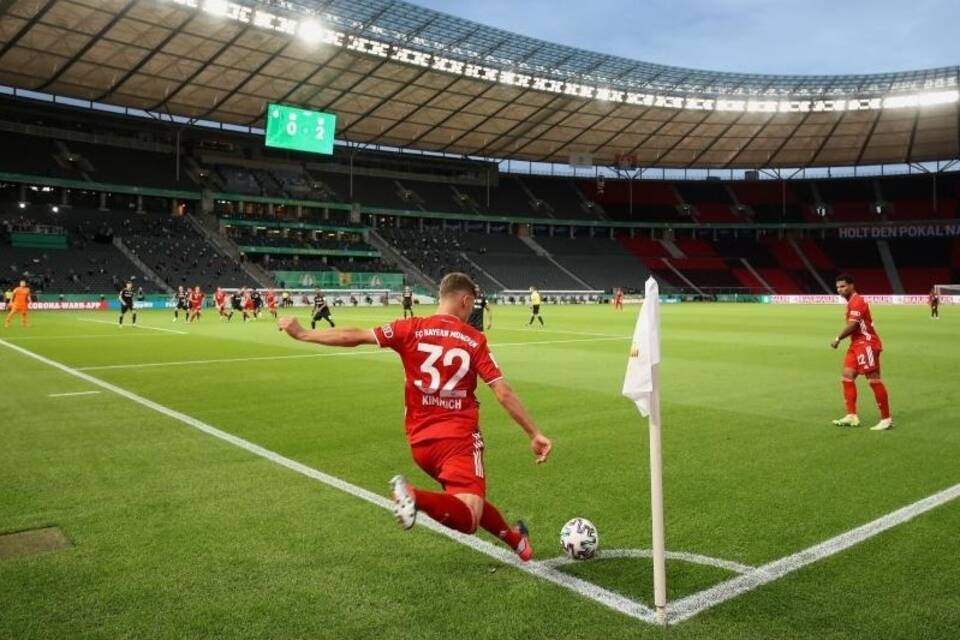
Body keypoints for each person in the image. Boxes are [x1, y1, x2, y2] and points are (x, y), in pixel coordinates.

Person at [277, 272, 552, 561]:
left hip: (420, 444)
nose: (471, 312)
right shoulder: (473, 340)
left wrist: (304, 333)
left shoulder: (410, 328)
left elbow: (354, 336)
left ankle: (518, 543)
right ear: (465, 300)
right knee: (469, 517)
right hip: (457, 440)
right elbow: (503, 392)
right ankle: (412, 495)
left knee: (469, 498)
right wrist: (534, 433)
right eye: (470, 307)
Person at [830, 273, 893, 431]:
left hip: (866, 344)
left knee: (873, 379)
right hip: (856, 344)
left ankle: (886, 419)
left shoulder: (857, 301)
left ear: (852, 285)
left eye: (843, 286)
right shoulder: (851, 302)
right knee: (847, 377)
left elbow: (853, 325)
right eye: (838, 287)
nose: (840, 289)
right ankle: (851, 416)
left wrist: (838, 338)